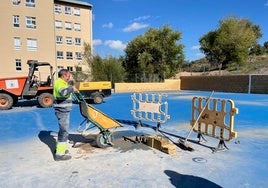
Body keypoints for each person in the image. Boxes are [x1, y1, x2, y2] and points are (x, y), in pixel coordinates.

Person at [53, 69, 78, 161]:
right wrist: (71, 89)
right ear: (63, 75)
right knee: (64, 132)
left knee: (62, 131)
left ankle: (60, 149)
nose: (69, 78)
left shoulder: (61, 83)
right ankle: (59, 154)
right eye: (68, 76)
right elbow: (62, 92)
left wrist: (70, 88)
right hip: (62, 110)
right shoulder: (60, 83)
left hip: (63, 110)